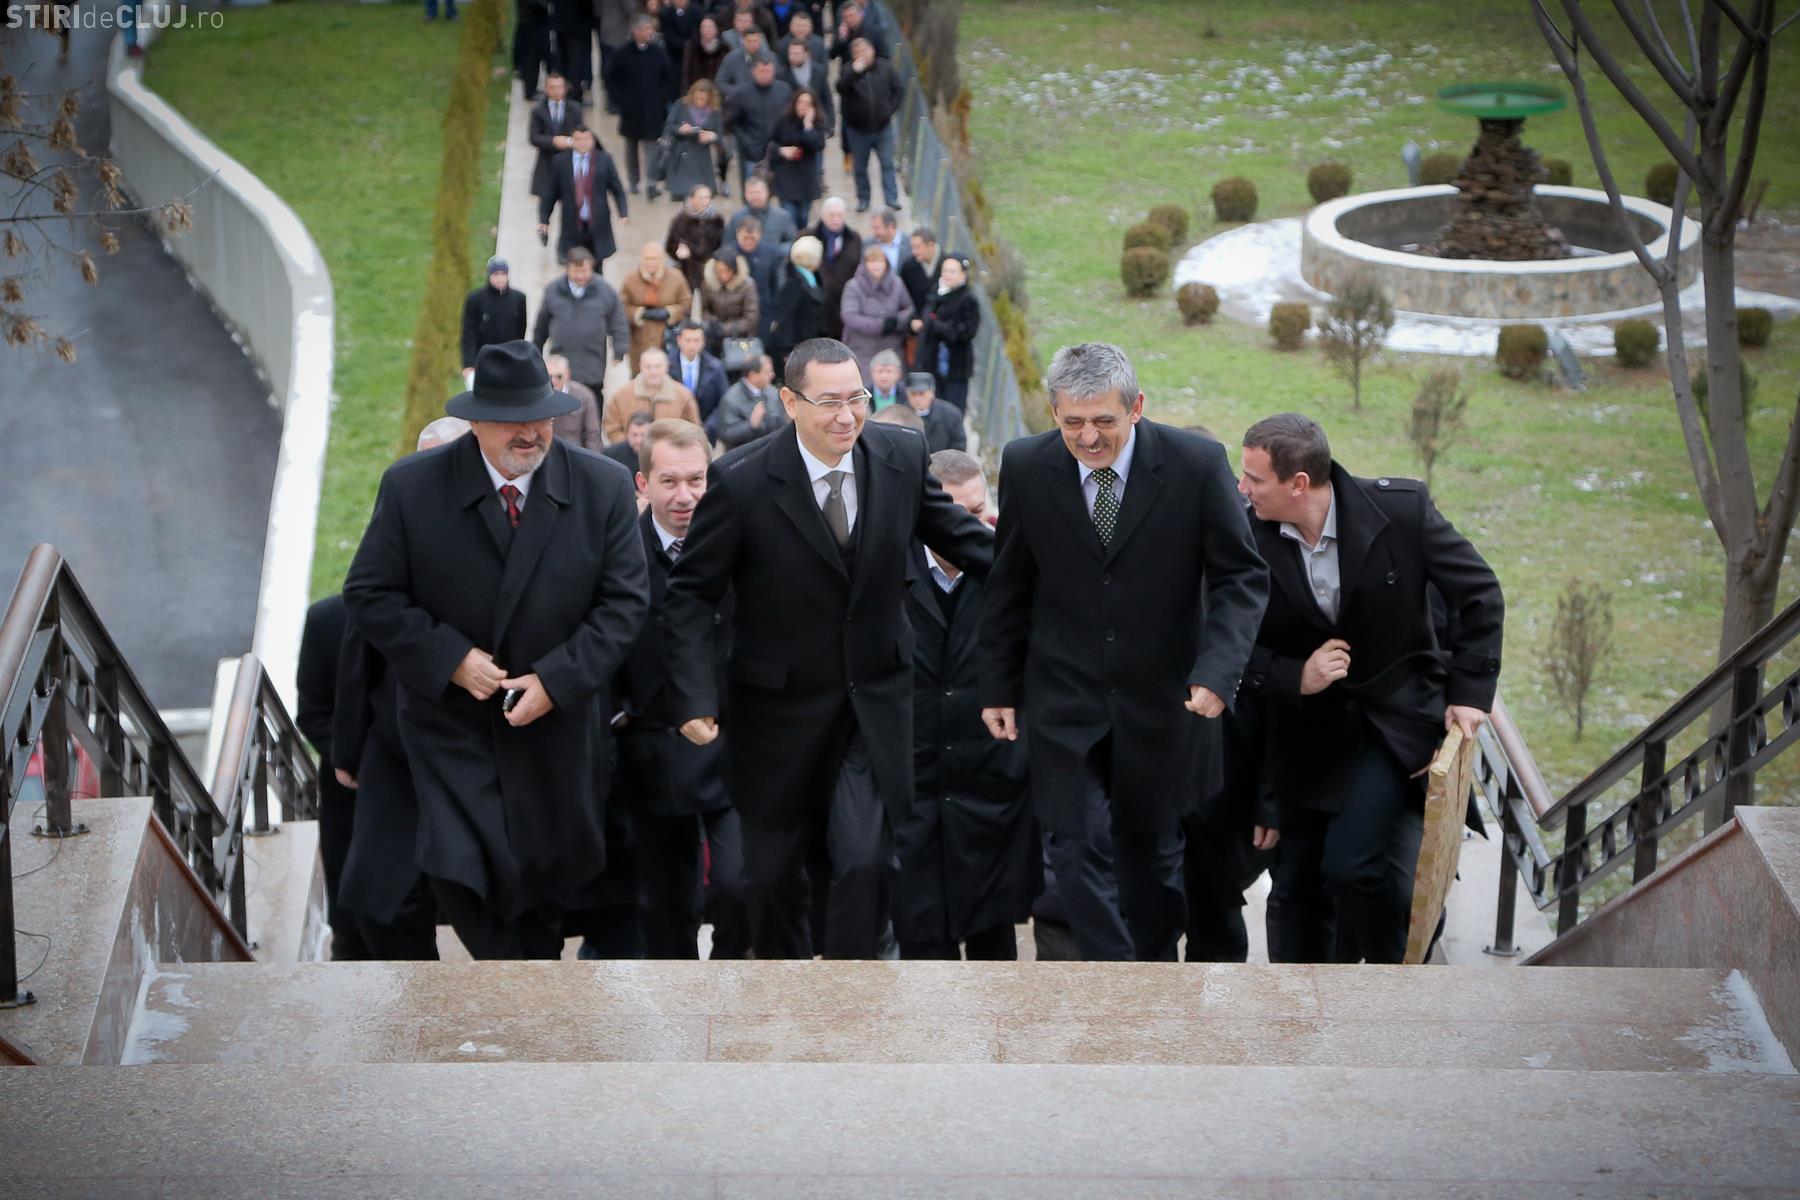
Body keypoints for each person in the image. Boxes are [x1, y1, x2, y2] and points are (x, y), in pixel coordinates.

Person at [661, 337, 994, 959]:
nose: (847, 416)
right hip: (774, 715)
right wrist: (694, 696)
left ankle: (849, 995)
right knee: (772, 883)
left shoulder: (901, 455)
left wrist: (1050, 577)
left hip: (870, 704)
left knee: (865, 864)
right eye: (829, 402)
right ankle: (788, 997)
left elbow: (969, 543)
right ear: (790, 402)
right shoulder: (741, 480)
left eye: (857, 398)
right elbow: (688, 596)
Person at [342, 341, 650, 959]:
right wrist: (451, 659)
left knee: (541, 890)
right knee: (466, 877)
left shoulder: (603, 486)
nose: (531, 433)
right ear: (477, 420)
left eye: (542, 417)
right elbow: (370, 594)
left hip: (554, 733)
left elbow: (625, 604)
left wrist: (555, 682)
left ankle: (525, 996)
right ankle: (511, 985)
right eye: (513, 420)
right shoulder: (411, 487)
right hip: (451, 731)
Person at [978, 342, 1269, 962]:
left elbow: (1241, 577)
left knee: (1152, 865)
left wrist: (1218, 671)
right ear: (1054, 413)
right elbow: (1009, 585)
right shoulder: (1026, 465)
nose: (1088, 437)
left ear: (1136, 407)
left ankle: (1151, 973)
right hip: (1063, 699)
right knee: (1074, 846)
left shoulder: (1195, 464)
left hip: (1163, 704)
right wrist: (998, 685)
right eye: (1072, 422)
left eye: (1103, 421)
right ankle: (1115, 979)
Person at [1237, 412, 1503, 965]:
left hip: (1394, 725)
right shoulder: (1247, 536)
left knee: (1353, 864)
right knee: (1299, 888)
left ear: (1299, 483)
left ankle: (1396, 973)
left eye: (1255, 478)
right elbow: (1225, 639)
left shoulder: (1401, 511)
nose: (1243, 488)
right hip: (1305, 737)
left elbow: (1479, 591)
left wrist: (1470, 693)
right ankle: (1314, 1000)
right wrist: (1295, 675)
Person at [329, 418, 471, 962]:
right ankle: (419, 993)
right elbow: (359, 653)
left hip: (478, 746)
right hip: (400, 748)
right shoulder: (396, 537)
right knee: (382, 898)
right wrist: (349, 750)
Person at [615, 419, 751, 959]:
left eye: (696, 480)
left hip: (734, 746)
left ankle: (729, 978)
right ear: (642, 484)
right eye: (669, 482)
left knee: (738, 886)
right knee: (663, 904)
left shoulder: (743, 544)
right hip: (651, 748)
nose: (685, 496)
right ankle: (677, 1001)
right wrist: (620, 715)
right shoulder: (617, 553)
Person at [897, 449, 1037, 961]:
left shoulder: (1012, 572)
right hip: (914, 793)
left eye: (978, 512)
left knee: (993, 953)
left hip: (993, 789)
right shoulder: (887, 569)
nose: (967, 528)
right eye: (953, 516)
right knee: (921, 953)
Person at [296, 593, 371, 961]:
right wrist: (352, 757)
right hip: (351, 795)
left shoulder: (438, 614)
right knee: (353, 928)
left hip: (427, 794)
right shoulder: (326, 619)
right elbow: (312, 714)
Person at [531, 247, 628, 398]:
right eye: (575, 271)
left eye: (584, 271)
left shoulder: (605, 291)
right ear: (567, 268)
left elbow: (618, 321)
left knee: (592, 400)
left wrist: (619, 350)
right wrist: (536, 351)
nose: (580, 276)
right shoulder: (553, 290)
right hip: (561, 362)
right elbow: (541, 325)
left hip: (592, 363)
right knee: (559, 401)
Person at [537, 126, 629, 268]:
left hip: (597, 225)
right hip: (572, 226)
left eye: (586, 139)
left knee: (596, 266)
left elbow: (617, 189)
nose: (582, 143)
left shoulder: (604, 160)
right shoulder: (560, 162)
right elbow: (550, 193)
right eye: (578, 139)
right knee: (573, 265)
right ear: (572, 141)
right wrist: (544, 220)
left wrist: (623, 212)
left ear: (592, 141)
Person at [605, 15, 676, 195]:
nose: (650, 32)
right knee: (631, 147)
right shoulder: (623, 53)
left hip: (653, 108)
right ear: (636, 31)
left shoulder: (658, 51)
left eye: (651, 29)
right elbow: (611, 78)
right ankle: (633, 180)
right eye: (646, 29)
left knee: (652, 146)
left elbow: (667, 77)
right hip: (631, 110)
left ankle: (651, 181)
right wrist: (620, 100)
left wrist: (662, 98)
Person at [835, 37, 904, 213]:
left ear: (872, 50)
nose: (863, 54)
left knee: (887, 163)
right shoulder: (848, 70)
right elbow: (840, 88)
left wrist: (889, 109)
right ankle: (863, 198)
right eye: (858, 52)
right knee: (860, 167)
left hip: (883, 128)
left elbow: (898, 89)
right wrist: (854, 73)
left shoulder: (885, 67)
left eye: (865, 50)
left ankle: (891, 198)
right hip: (858, 130)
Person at [911, 254, 979, 410]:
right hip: (931, 363)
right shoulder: (936, 291)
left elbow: (969, 330)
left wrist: (939, 326)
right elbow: (924, 314)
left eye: (952, 271)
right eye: (945, 271)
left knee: (952, 409)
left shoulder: (967, 299)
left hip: (953, 366)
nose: (948, 275)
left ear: (963, 274)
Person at [838, 243, 912, 381]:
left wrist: (896, 322)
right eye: (871, 262)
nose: (876, 266)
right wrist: (880, 325)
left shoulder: (897, 283)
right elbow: (849, 316)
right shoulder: (853, 286)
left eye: (879, 261)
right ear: (864, 264)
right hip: (862, 349)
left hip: (891, 349)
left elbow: (909, 308)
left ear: (886, 264)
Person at [620, 243, 694, 374]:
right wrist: (639, 313)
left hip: (666, 338)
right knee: (640, 375)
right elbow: (621, 305)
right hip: (639, 339)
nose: (650, 263)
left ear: (662, 260)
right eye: (647, 259)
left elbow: (686, 303)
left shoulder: (676, 277)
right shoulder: (631, 279)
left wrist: (669, 312)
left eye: (654, 259)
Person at [724, 54, 793, 195]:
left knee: (782, 193)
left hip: (778, 150)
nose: (766, 75)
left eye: (769, 71)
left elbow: (790, 118)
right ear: (753, 71)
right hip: (751, 152)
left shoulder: (784, 90)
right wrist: (747, 143)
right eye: (762, 71)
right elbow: (733, 122)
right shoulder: (741, 93)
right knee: (753, 193)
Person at [605, 346, 702, 442]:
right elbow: (611, 428)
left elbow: (694, 429)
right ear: (640, 367)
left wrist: (674, 447)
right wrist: (631, 444)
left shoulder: (683, 395)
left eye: (657, 366)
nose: (653, 372)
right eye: (648, 366)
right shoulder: (622, 395)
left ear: (666, 366)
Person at [461, 257, 528, 389]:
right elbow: (469, 332)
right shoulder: (475, 299)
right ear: (489, 275)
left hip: (509, 359)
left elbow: (521, 329)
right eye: (495, 274)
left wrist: (519, 357)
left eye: (503, 274)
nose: (499, 278)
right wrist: (469, 363)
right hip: (483, 360)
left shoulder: (519, 299)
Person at [805, 197, 862, 340]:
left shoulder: (854, 239)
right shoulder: (807, 237)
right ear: (823, 215)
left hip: (843, 306)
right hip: (815, 307)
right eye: (831, 215)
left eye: (839, 215)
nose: (836, 219)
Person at [660, 81, 727, 205]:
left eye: (704, 99)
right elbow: (668, 126)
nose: (700, 102)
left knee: (702, 196)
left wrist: (712, 136)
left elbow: (720, 135)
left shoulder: (714, 111)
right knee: (688, 197)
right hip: (682, 156)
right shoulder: (681, 105)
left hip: (703, 160)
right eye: (698, 98)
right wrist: (680, 129)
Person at [768, 90, 826, 229]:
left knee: (803, 218)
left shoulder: (817, 123)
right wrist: (782, 151)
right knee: (789, 217)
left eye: (807, 103)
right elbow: (771, 143)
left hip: (805, 179)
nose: (803, 106)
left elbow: (818, 145)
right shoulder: (783, 120)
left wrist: (808, 126)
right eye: (800, 102)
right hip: (786, 176)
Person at [768, 235, 824, 376]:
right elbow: (784, 318)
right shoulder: (794, 284)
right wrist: (786, 351)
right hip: (795, 349)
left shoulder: (812, 279)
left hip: (808, 346)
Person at [714, 352, 787, 450]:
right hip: (744, 453)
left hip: (771, 450)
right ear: (752, 375)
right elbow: (725, 434)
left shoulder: (772, 393)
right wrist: (750, 425)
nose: (772, 375)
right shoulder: (731, 399)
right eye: (767, 372)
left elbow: (781, 424)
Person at [781, 37, 834, 167]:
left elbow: (826, 97)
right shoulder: (783, 74)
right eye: (790, 53)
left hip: (815, 125)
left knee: (817, 164)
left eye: (797, 53)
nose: (792, 57)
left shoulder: (818, 71)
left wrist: (830, 124)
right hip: (793, 127)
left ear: (806, 54)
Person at [730, 217, 784, 344]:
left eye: (752, 239)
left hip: (763, 310)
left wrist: (775, 313)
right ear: (737, 234)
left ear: (759, 235)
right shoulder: (729, 252)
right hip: (735, 312)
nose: (748, 242)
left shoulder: (770, 253)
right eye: (745, 238)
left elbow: (774, 284)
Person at [527, 74, 582, 200]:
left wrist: (569, 141)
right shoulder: (538, 110)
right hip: (546, 164)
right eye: (552, 87)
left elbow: (581, 133)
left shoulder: (575, 109)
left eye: (559, 87)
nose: (557, 91)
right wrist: (553, 141)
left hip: (569, 163)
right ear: (546, 89)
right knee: (545, 203)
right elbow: (534, 137)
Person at [665, 184, 726, 292]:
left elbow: (722, 246)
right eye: (701, 198)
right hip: (686, 271)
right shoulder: (681, 220)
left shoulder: (717, 221)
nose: (704, 201)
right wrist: (679, 252)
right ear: (692, 199)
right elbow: (670, 245)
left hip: (709, 272)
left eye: (707, 197)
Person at [726, 174, 798, 259]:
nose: (754, 197)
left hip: (774, 261)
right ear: (745, 194)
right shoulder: (737, 217)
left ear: (767, 193)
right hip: (744, 262)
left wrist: (775, 252)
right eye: (751, 193)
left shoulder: (782, 216)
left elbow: (793, 242)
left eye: (758, 192)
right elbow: (727, 244)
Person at [701, 253, 760, 355]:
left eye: (727, 270)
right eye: (719, 271)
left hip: (739, 336)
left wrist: (724, 329)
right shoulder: (708, 284)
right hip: (714, 335)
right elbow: (704, 309)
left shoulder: (747, 285)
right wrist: (712, 323)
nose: (723, 275)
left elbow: (751, 317)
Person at [671, 320, 729, 423]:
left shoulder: (715, 367)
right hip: (674, 426)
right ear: (679, 340)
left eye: (696, 340)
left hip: (705, 426)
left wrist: (708, 427)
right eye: (688, 340)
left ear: (703, 342)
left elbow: (723, 402)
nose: (692, 345)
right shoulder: (667, 365)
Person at [545, 353, 604, 452]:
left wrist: (592, 458)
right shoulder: (538, 396)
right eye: (549, 377)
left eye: (559, 376)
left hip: (574, 452)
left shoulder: (584, 395)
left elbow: (592, 435)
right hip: (546, 451)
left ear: (567, 375)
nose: (554, 381)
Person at [903, 371, 965, 454]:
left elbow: (958, 447)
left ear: (932, 393)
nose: (917, 398)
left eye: (922, 393)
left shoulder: (951, 415)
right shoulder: (899, 414)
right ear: (907, 394)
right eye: (913, 394)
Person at [549, 0, 592, 104]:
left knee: (562, 58)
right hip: (576, 22)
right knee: (575, 59)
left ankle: (562, 90)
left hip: (559, 20)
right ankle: (574, 93)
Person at [713, 25, 769, 98]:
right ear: (743, 40)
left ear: (760, 40)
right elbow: (719, 82)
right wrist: (738, 91)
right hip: (738, 99)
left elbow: (778, 81)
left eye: (755, 41)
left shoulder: (770, 57)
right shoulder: (731, 58)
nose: (752, 45)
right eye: (749, 41)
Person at [682, 14, 729, 90]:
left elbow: (728, 75)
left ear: (717, 29)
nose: (706, 30)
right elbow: (686, 74)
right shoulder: (691, 47)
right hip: (696, 92)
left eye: (710, 27)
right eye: (703, 27)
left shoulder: (725, 49)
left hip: (718, 92)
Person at [900, 224, 940, 312]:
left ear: (931, 245)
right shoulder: (908, 267)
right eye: (912, 247)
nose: (913, 252)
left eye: (917, 247)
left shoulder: (949, 265)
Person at [866, 208, 908, 275]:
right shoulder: (867, 245)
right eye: (873, 228)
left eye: (877, 228)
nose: (874, 232)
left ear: (890, 227)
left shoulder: (910, 244)